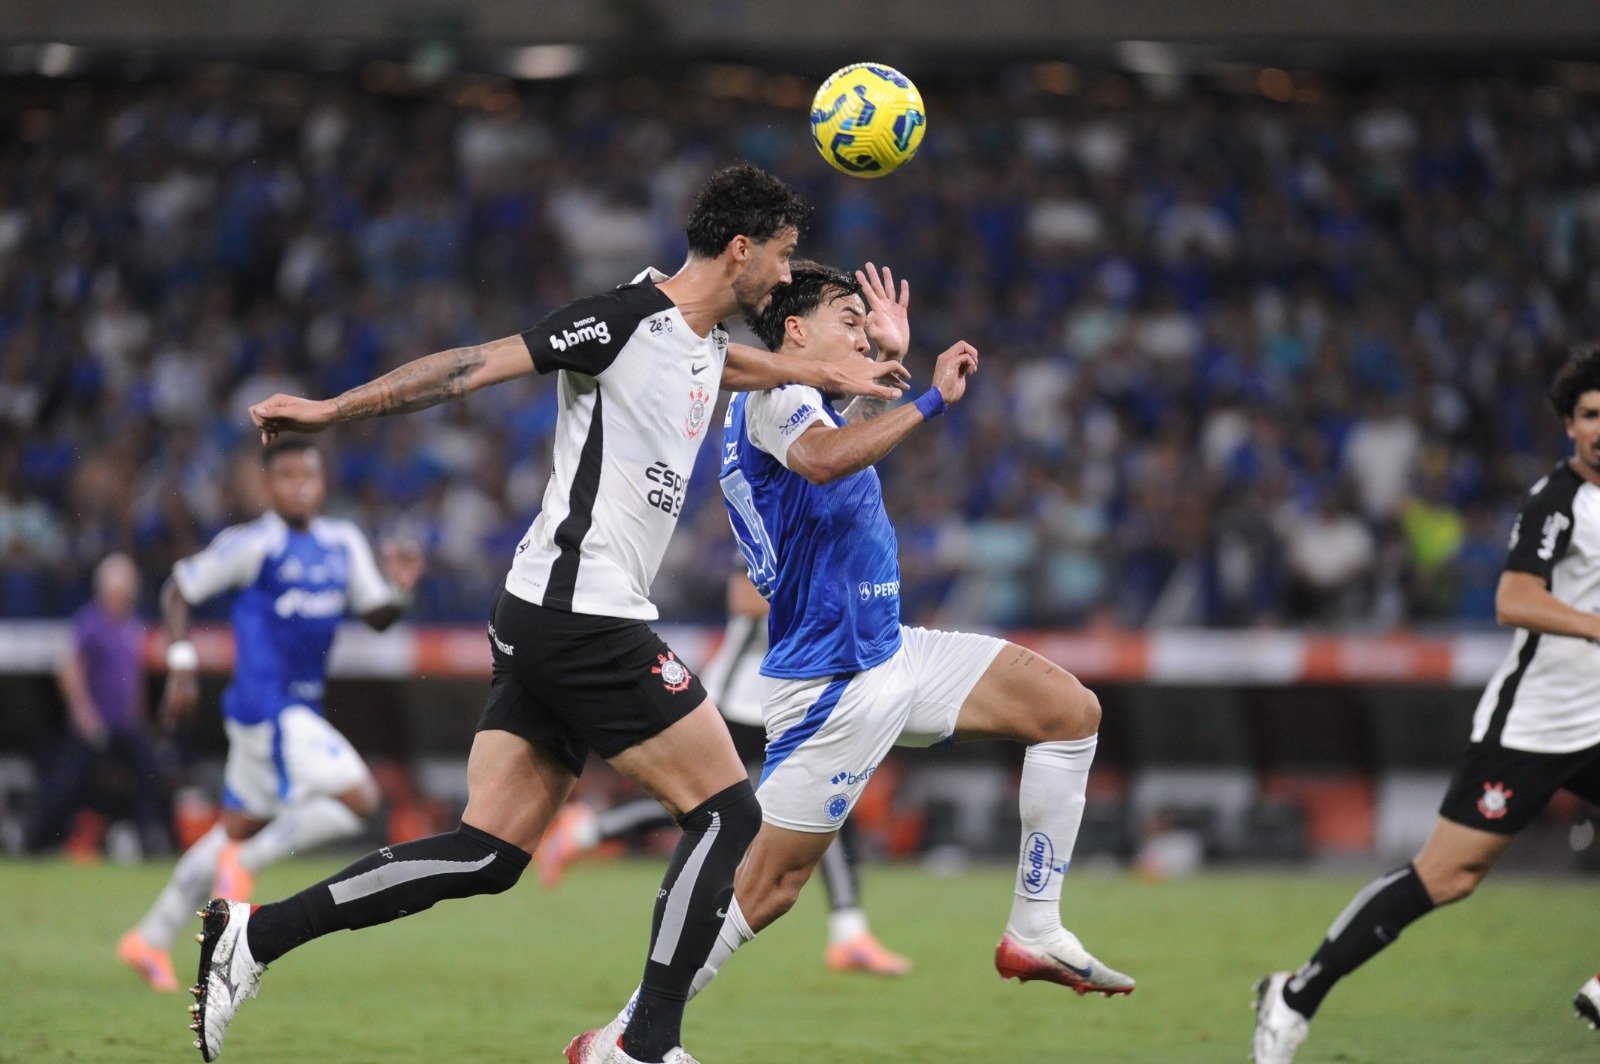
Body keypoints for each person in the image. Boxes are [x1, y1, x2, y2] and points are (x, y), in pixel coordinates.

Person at [189, 164, 905, 1064]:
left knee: (485, 854)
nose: (784, 276)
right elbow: (471, 366)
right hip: (583, 612)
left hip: (543, 611)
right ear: (740, 248)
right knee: (727, 812)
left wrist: (851, 369)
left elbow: (740, 365)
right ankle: (645, 1045)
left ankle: (254, 938)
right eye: (783, 255)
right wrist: (334, 409)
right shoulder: (623, 319)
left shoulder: (703, 343)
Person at [568, 261, 1133, 1062]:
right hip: (833, 682)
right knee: (768, 889)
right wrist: (927, 398)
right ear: (794, 330)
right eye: (847, 316)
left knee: (1069, 712)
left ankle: (1035, 929)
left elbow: (834, 452)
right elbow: (827, 459)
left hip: (891, 648)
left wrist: (879, 377)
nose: (862, 330)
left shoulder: (796, 401)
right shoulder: (775, 396)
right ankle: (627, 1038)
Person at [1252, 345, 1600, 1063]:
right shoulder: (1555, 504)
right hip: (1535, 723)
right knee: (1447, 876)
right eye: (1590, 415)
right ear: (1570, 425)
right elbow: (1514, 598)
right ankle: (1295, 995)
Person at [119, 440, 421, 992]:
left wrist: (400, 591)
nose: (300, 485)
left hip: (298, 708)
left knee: (230, 831)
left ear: (323, 482)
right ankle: (250, 862)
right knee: (361, 798)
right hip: (266, 707)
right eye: (286, 476)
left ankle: (149, 937)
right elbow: (178, 591)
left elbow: (377, 615)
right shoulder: (252, 545)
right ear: (267, 487)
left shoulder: (343, 543)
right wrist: (182, 667)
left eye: (309, 474)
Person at [536, 568, 912, 976]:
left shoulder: (838, 533)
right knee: (716, 805)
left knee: (821, 801)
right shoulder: (773, 518)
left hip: (793, 698)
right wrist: (835, 601)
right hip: (742, 700)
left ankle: (849, 933)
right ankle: (585, 831)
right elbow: (744, 598)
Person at [26, 553, 169, 856]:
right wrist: (85, 717)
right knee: (68, 784)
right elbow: (71, 672)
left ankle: (151, 842)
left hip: (126, 726)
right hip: (95, 724)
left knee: (150, 774)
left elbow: (135, 680)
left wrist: (142, 720)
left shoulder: (133, 623)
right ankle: (39, 842)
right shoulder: (89, 621)